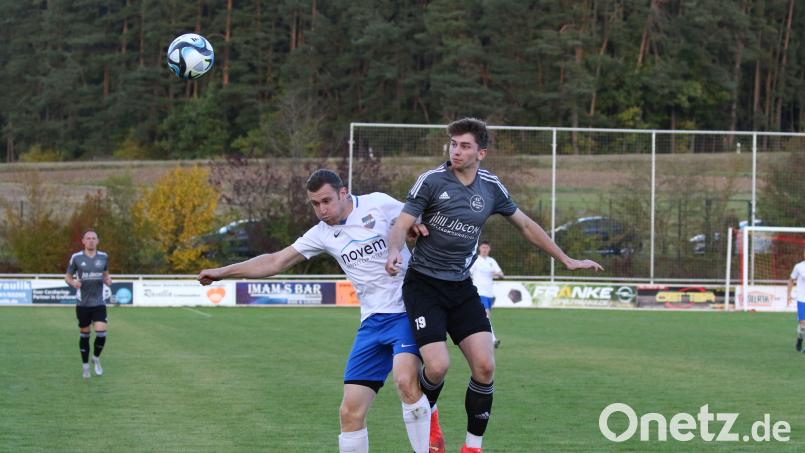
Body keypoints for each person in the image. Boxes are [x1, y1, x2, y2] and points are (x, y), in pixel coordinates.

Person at [385, 117, 604, 453]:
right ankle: (429, 420)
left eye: (465, 146)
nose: (456, 151)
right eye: (453, 144)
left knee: (486, 366)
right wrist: (394, 252)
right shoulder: (430, 181)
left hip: (461, 287)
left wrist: (566, 259)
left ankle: (473, 447)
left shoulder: (491, 187)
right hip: (424, 285)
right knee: (438, 366)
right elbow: (401, 224)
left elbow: (527, 226)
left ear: (481, 153)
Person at [197, 169, 437, 453]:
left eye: (326, 201)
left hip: (406, 310)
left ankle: (428, 434)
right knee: (349, 413)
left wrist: (416, 226)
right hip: (372, 323)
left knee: (405, 381)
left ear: (343, 193)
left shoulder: (378, 203)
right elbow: (275, 261)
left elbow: (419, 217)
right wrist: (223, 272)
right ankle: (428, 411)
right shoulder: (322, 234)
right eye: (315, 204)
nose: (322, 210)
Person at [65, 229, 112, 379]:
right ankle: (85, 367)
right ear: (83, 241)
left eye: (94, 238)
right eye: (88, 238)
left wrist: (108, 280)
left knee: (101, 332)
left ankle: (96, 358)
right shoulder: (77, 258)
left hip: (99, 302)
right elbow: (67, 277)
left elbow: (105, 274)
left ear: (97, 241)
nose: (91, 240)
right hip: (83, 303)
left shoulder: (104, 257)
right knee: (85, 335)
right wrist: (73, 283)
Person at [470, 241, 504, 348]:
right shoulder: (475, 260)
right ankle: (493, 340)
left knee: (481, 317)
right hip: (479, 292)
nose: (485, 249)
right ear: (479, 248)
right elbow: (468, 272)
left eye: (487, 247)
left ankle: (471, 336)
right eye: (483, 247)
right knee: (486, 315)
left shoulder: (491, 261)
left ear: (489, 249)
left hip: (489, 294)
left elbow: (501, 274)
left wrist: (497, 273)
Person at [787, 248, 805, 352]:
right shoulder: (799, 266)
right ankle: (800, 338)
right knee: (803, 323)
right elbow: (791, 280)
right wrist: (789, 295)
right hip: (802, 299)